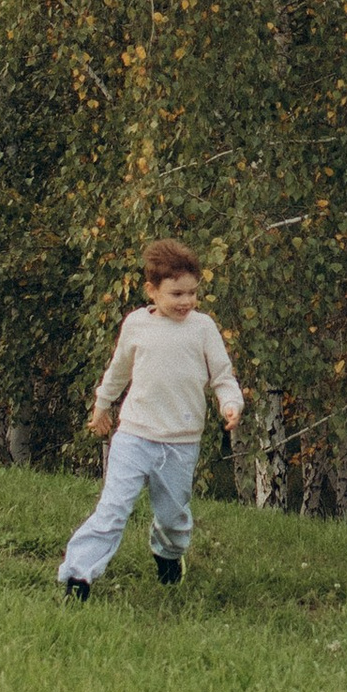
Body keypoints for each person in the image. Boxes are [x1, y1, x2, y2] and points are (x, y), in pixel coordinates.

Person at [59, 238, 244, 600]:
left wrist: (230, 403)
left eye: (192, 293)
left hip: (181, 442)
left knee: (173, 515)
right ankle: (78, 577)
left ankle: (168, 555)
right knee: (113, 509)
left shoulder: (202, 328)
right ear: (151, 290)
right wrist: (102, 405)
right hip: (134, 436)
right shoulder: (136, 325)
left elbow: (223, 376)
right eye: (176, 294)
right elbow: (118, 370)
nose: (186, 301)